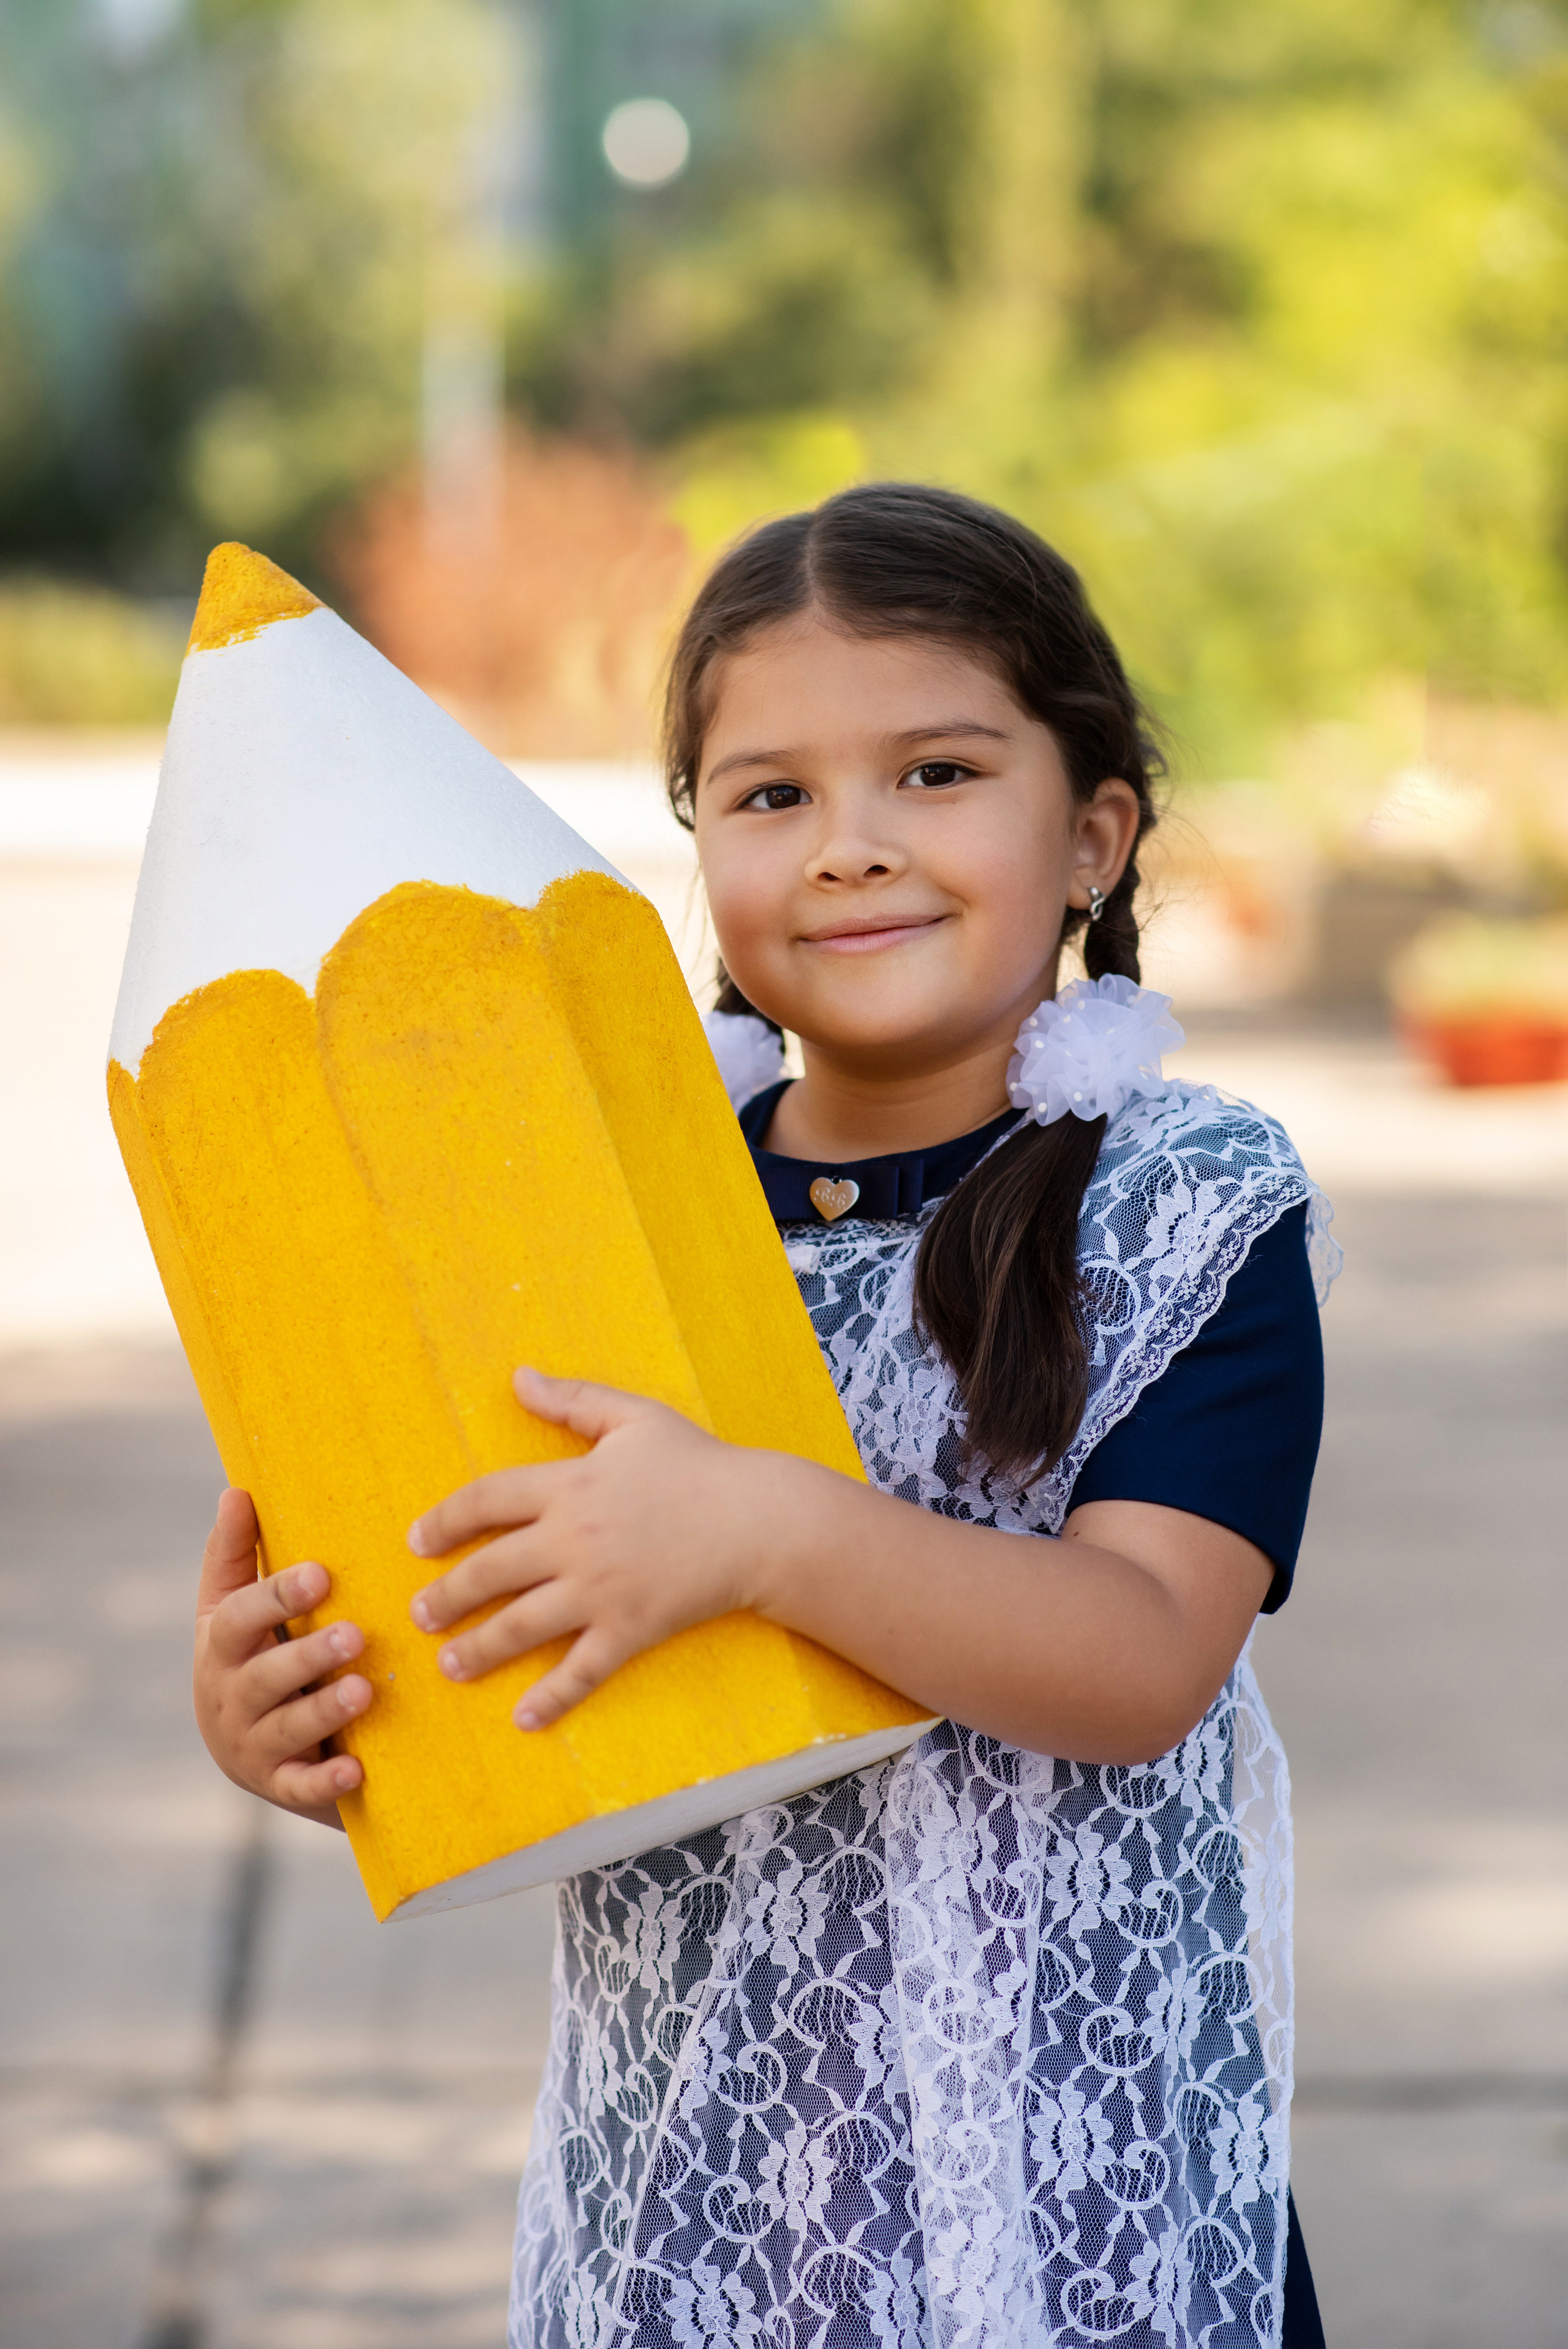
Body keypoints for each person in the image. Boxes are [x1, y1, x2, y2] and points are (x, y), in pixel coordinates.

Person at [191, 483, 1336, 2348]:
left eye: (940, 772)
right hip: (714, 2214)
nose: (851, 847)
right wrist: (301, 1701)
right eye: (772, 794)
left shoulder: (1184, 1205)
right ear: (699, 846)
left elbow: (1141, 1663)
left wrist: (767, 1528)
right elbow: (497, 1626)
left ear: (1093, 834)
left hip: (1070, 2206)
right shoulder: (602, 1206)